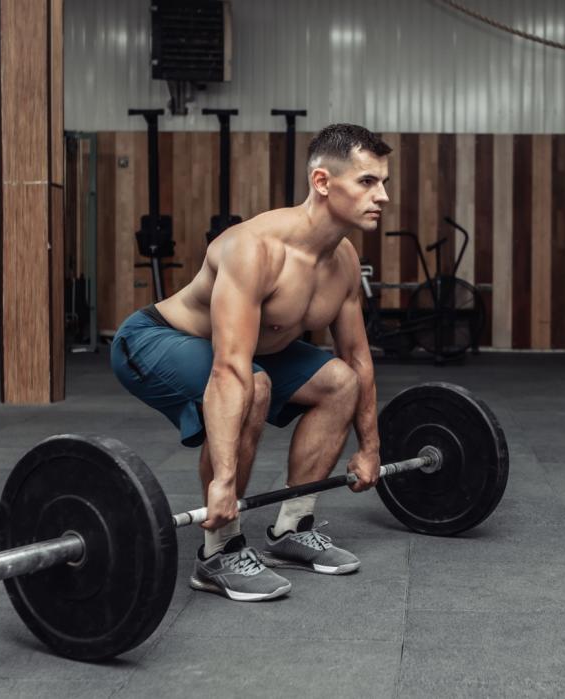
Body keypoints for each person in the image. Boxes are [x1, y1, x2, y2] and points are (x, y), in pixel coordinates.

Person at [111, 124, 391, 601]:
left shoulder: (342, 260)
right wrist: (223, 482)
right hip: (155, 339)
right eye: (367, 181)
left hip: (251, 354)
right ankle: (218, 552)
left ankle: (292, 529)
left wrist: (369, 448)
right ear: (322, 182)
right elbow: (230, 370)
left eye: (384, 182)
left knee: (339, 382)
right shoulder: (254, 249)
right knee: (254, 385)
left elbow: (357, 358)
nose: (382, 195)